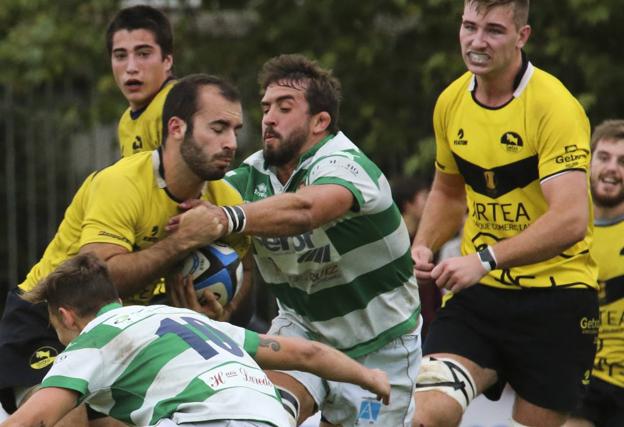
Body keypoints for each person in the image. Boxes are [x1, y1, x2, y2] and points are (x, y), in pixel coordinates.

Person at [170, 54, 422, 426]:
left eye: (284, 108)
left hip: (381, 346)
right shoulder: (248, 179)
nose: (269, 118)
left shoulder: (345, 164)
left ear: (320, 122)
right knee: (261, 417)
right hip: (301, 335)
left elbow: (307, 209)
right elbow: (217, 237)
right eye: (266, 107)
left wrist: (227, 217)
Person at [0, 74, 249, 425]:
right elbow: (101, 280)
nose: (231, 142)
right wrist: (182, 241)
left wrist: (221, 314)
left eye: (235, 129)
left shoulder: (226, 201)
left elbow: (247, 270)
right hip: (54, 317)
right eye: (219, 128)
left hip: (129, 333)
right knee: (64, 418)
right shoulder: (122, 184)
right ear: (176, 127)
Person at [410, 1, 599, 426]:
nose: (477, 42)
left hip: (558, 298)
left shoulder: (555, 106)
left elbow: (570, 218)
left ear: (522, 36)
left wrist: (485, 258)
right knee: (428, 412)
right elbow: (448, 190)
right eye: (469, 27)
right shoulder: (451, 101)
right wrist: (424, 243)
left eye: (493, 30)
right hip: (479, 298)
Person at [0, 253, 390, 427]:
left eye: (57, 329)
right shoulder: (184, 318)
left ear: (65, 316)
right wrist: (368, 377)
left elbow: (32, 420)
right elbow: (305, 352)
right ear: (116, 300)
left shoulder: (92, 340)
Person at [564, 120, 624, 427]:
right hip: (583, 381)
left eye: (623, 161)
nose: (612, 168)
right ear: (587, 162)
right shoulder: (563, 231)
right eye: (603, 157)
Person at [107, 5, 176, 157]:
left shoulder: (178, 106)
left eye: (143, 54)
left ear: (167, 61)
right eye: (120, 56)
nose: (131, 67)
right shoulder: (126, 121)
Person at [392, 176, 441, 339]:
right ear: (408, 204)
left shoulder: (427, 241)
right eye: (424, 197)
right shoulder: (394, 243)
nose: (430, 203)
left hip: (429, 326)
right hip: (406, 329)